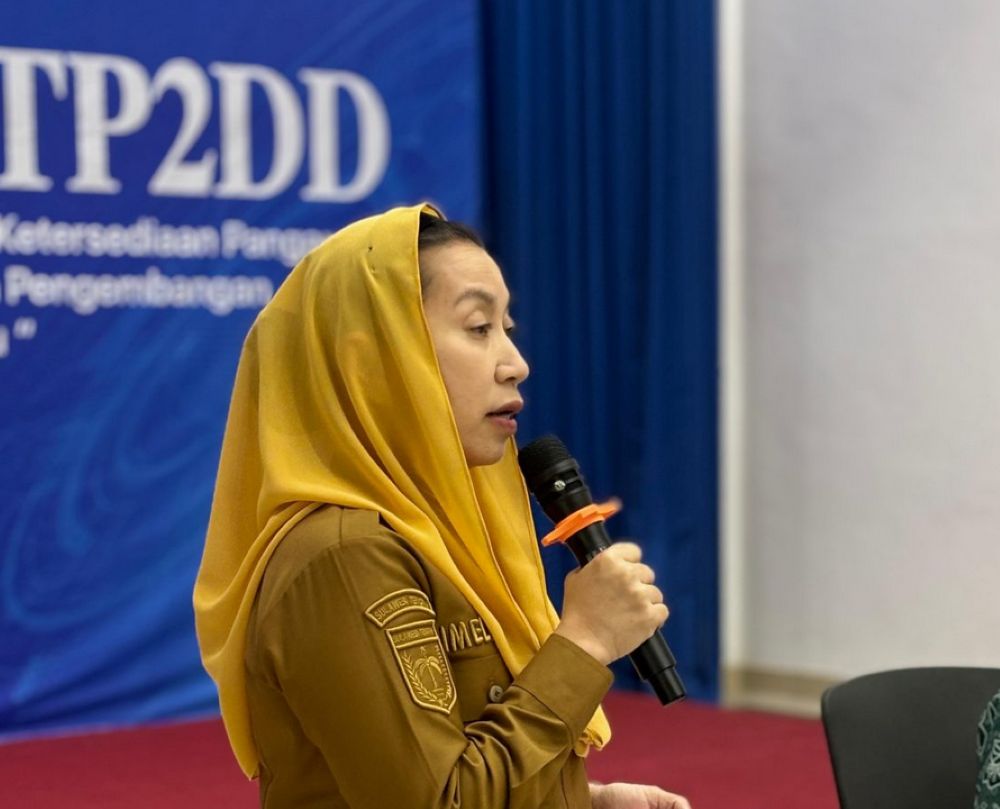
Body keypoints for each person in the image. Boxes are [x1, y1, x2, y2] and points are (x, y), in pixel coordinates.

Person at [193, 203, 690, 809]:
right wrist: (584, 641)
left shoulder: (438, 536)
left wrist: (580, 801)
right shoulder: (346, 556)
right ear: (372, 359)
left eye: (507, 328)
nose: (516, 364)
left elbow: (460, 760)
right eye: (479, 328)